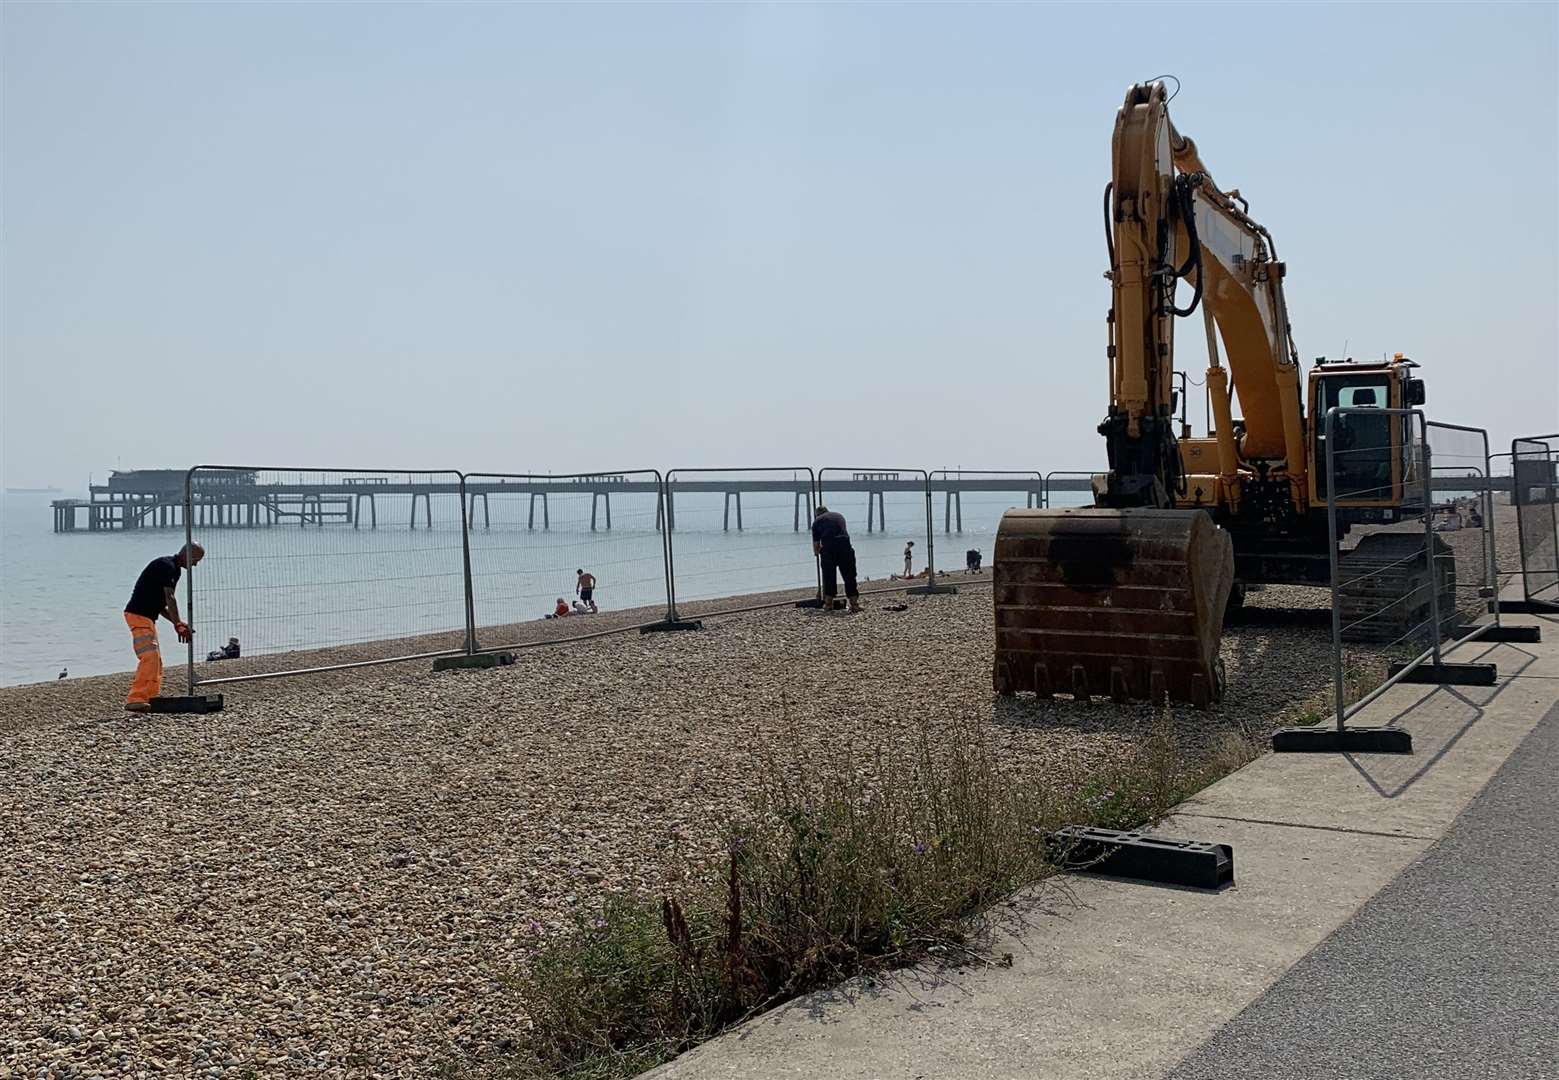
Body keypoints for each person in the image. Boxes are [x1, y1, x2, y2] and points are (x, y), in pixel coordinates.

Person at [123, 542, 204, 712]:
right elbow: (170, 597)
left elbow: (160, 605)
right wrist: (179, 623)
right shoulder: (166, 566)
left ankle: (151, 696)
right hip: (138, 615)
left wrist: (177, 623)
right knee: (149, 657)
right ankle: (135, 699)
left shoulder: (175, 570)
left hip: (147, 617)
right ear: (187, 555)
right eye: (195, 560)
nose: (196, 564)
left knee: (156, 660)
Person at [811, 505, 861, 613]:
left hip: (829, 549)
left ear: (817, 514)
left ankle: (828, 604)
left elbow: (816, 544)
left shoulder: (816, 522)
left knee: (829, 577)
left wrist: (817, 552)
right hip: (845, 547)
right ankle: (854, 604)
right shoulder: (839, 516)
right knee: (849, 576)